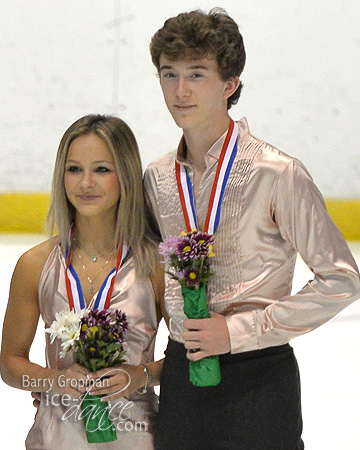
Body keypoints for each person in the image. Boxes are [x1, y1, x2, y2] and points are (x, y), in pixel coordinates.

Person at [144, 8, 360, 450]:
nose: (180, 90)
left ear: (230, 84)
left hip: (260, 380)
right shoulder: (157, 178)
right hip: (182, 375)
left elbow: (342, 279)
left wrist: (240, 331)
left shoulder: (277, 173)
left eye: (197, 74)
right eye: (169, 74)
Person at [1, 114, 167, 449]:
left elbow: (187, 355)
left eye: (102, 170)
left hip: (137, 437)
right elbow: (9, 364)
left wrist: (141, 375)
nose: (85, 183)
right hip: (55, 438)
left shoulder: (155, 265)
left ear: (126, 175)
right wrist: (54, 379)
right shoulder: (34, 265)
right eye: (74, 169)